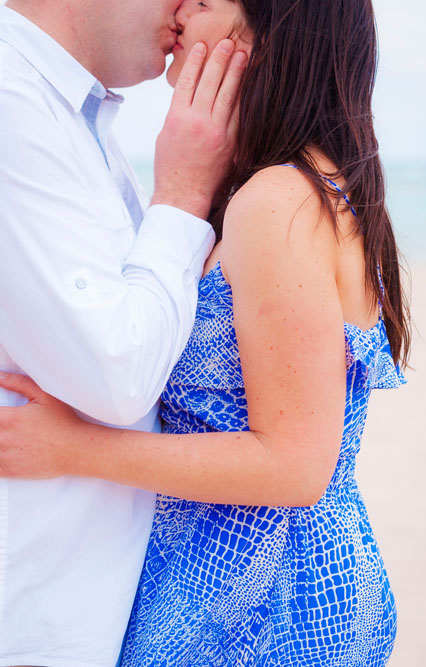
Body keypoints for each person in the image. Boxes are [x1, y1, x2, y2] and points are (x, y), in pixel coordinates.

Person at [0, 0, 410, 664]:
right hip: (259, 576)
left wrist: (75, 449)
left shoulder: (278, 201)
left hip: (267, 594)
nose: (182, 8)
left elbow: (296, 465)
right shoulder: (298, 187)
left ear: (267, 34)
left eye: (207, 0)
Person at [0, 0, 245, 665]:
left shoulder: (76, 115)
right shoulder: (13, 105)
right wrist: (186, 191)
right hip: (35, 619)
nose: (190, 4)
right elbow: (119, 376)